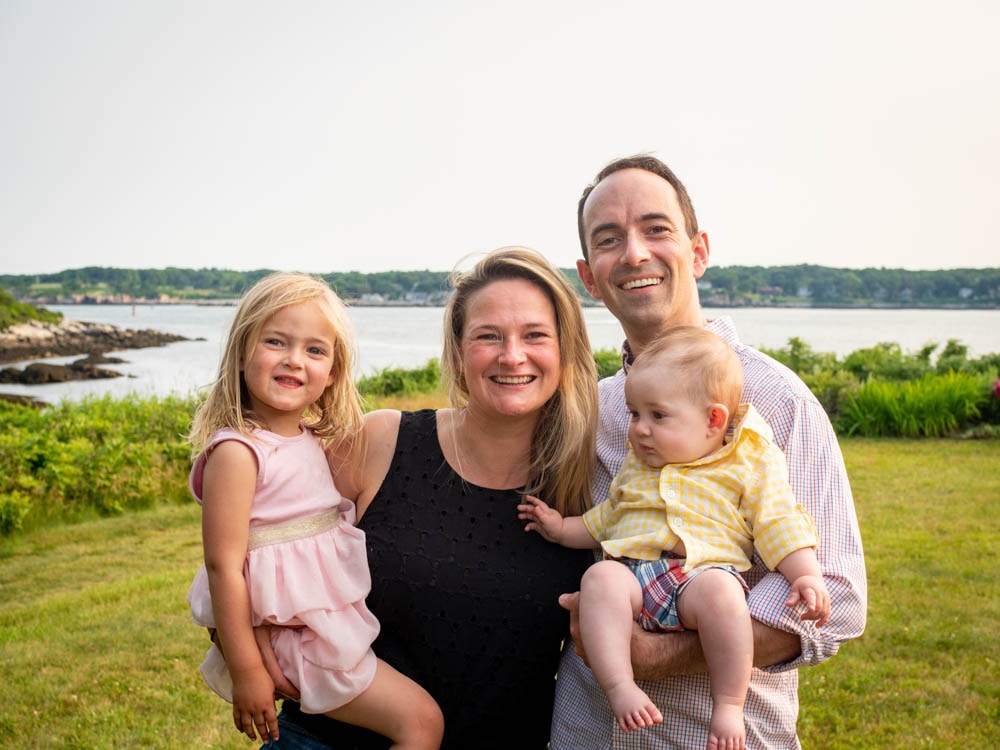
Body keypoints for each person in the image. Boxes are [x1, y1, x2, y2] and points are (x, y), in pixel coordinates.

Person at [550, 155, 868, 749]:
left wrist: (658, 654)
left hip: (715, 736)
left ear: (698, 251)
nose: (635, 253)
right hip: (586, 732)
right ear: (589, 276)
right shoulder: (589, 409)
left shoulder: (775, 401)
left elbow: (839, 598)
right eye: (609, 240)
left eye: (656, 229)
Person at [255, 247, 599, 748]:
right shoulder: (380, 442)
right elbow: (257, 536)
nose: (512, 355)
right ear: (458, 352)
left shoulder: (587, 479)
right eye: (488, 336)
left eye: (535, 335)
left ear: (566, 350)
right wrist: (243, 641)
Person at [520, 326, 831, 749]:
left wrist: (805, 574)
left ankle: (728, 704)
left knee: (724, 598)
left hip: (700, 577)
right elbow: (605, 520)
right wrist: (559, 528)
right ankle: (620, 686)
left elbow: (778, 522)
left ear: (713, 420)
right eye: (634, 414)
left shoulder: (744, 460)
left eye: (657, 416)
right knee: (599, 581)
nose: (640, 430)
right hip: (635, 577)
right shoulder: (638, 467)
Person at [186, 272, 443, 748]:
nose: (293, 360)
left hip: (319, 628)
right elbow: (223, 566)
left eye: (314, 350)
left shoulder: (312, 441)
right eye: (276, 342)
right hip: (292, 637)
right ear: (243, 353)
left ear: (333, 372)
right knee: (421, 723)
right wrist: (247, 672)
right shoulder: (239, 452)